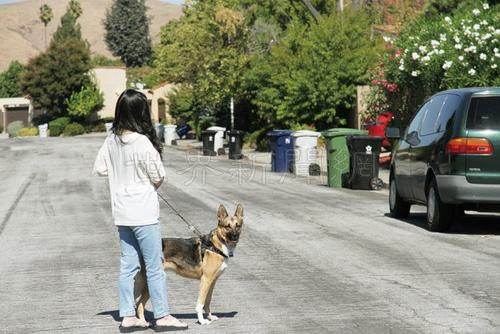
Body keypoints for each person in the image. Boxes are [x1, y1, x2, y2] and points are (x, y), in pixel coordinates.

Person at [93, 89, 188, 332]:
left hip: (122, 213)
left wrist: (121, 174)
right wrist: (145, 184)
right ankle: (163, 316)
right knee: (155, 265)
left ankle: (128, 317)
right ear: (140, 112)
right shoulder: (143, 141)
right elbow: (159, 176)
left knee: (128, 265)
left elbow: (101, 169)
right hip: (144, 213)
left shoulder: (111, 139)